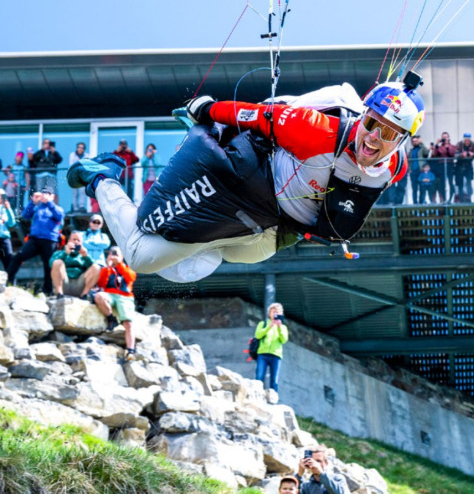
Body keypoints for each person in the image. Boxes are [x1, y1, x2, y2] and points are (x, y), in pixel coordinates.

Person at [67, 79, 424, 283]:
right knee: (141, 256)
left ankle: (184, 229)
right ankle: (102, 177)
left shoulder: (395, 167)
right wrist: (204, 111)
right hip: (241, 194)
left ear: (404, 142)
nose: (374, 138)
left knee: (186, 269)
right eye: (373, 123)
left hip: (270, 233)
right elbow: (255, 115)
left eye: (390, 134)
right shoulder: (316, 133)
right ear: (364, 115)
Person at [6, 188, 64, 295]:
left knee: (48, 266)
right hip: (35, 240)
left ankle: (48, 291)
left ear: (52, 196)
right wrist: (32, 202)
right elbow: (25, 215)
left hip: (50, 241)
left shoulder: (57, 208)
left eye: (48, 194)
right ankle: (7, 282)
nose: (45, 195)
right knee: (18, 256)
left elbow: (60, 217)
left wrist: (49, 203)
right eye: (43, 193)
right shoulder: (37, 208)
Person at [94, 246, 138, 361]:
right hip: (109, 294)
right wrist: (108, 267)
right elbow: (101, 284)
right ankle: (111, 318)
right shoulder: (106, 268)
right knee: (99, 296)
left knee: (128, 323)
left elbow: (130, 278)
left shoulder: (128, 267)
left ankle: (130, 350)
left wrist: (119, 264)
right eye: (111, 253)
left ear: (122, 256)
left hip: (125, 296)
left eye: (116, 253)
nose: (113, 256)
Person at [49, 231, 100, 298]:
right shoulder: (59, 252)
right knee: (57, 262)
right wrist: (65, 253)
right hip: (64, 282)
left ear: (81, 243)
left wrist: (86, 256)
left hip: (79, 284)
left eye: (78, 240)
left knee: (96, 267)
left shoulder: (84, 254)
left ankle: (84, 295)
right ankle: (59, 294)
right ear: (69, 241)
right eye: (74, 239)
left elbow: (94, 270)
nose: (76, 242)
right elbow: (51, 264)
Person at [255, 302, 289, 394]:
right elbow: (258, 335)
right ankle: (257, 395)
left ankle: (273, 399)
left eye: (277, 312)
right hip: (263, 354)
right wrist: (268, 327)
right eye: (273, 311)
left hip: (276, 355)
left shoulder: (283, 327)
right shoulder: (263, 324)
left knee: (274, 381)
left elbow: (284, 339)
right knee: (259, 377)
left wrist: (279, 327)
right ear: (269, 313)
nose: (275, 314)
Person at [454, 133, 474, 202]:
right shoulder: (459, 144)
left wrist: (473, 154)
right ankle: (461, 199)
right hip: (459, 166)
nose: (467, 141)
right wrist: (461, 155)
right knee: (460, 184)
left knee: (469, 182)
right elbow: (455, 154)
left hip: (468, 166)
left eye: (468, 140)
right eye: (466, 140)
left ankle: (469, 198)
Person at [431, 132, 454, 202]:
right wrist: (437, 144)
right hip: (441, 166)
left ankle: (450, 198)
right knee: (442, 184)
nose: (444, 138)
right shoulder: (440, 147)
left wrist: (447, 147)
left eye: (446, 137)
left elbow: (452, 154)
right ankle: (444, 198)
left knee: (450, 182)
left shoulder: (452, 146)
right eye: (443, 137)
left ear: (448, 137)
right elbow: (434, 155)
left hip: (450, 165)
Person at [407, 135, 429, 204]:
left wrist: (421, 143)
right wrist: (409, 170)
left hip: (421, 171)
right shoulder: (411, 151)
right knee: (414, 189)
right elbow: (408, 161)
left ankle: (421, 202)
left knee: (422, 188)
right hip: (413, 172)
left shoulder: (421, 149)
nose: (415, 142)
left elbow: (426, 153)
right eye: (413, 141)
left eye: (416, 141)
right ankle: (415, 203)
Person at [68, 142, 88, 212]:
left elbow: (87, 166)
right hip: (74, 176)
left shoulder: (86, 155)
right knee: (75, 193)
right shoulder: (72, 155)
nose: (80, 149)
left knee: (82, 192)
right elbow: (71, 165)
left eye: (82, 148)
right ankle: (75, 207)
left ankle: (81, 206)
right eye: (79, 147)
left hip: (82, 176)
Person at [0, 190, 16, 270]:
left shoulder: (5, 209)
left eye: (2, 196)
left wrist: (8, 209)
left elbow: (12, 223)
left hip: (4, 239)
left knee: (9, 262)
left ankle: (10, 282)